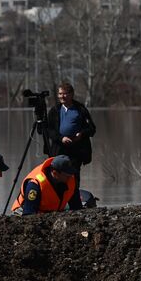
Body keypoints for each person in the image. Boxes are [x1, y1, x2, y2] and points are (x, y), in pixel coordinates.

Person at [42, 82, 96, 211]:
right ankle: (57, 203)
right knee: (56, 176)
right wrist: (61, 138)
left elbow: (92, 128)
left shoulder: (80, 109)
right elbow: (48, 130)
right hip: (59, 150)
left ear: (71, 94)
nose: (62, 96)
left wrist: (81, 134)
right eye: (60, 94)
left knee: (73, 178)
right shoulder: (55, 110)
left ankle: (75, 206)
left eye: (65, 94)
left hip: (76, 151)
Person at [13, 155, 79, 214]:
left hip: (52, 212)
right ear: (55, 173)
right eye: (67, 175)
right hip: (26, 212)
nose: (71, 177)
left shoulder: (70, 180)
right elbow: (29, 214)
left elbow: (77, 207)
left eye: (71, 174)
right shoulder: (35, 185)